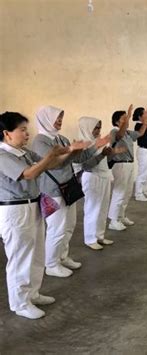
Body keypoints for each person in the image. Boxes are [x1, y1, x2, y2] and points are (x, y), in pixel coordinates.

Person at [0, 111, 79, 319]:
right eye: (22, 130)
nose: (27, 134)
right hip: (15, 210)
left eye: (26, 129)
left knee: (36, 253)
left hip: (32, 204)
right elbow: (28, 174)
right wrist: (51, 155)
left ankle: (32, 293)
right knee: (20, 257)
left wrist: (69, 152)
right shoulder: (2, 154)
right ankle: (20, 302)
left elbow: (50, 165)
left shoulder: (23, 152)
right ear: (6, 134)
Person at [32, 106, 101, 278]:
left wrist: (90, 148)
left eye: (61, 117)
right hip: (53, 190)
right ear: (46, 119)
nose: (59, 121)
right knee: (57, 228)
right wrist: (72, 150)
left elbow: (78, 159)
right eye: (57, 118)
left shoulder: (61, 138)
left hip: (68, 187)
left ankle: (62, 256)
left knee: (69, 225)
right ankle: (51, 264)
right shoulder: (40, 141)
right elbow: (54, 163)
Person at [78, 117, 123, 250]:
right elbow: (86, 165)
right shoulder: (83, 144)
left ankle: (99, 235)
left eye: (99, 127)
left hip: (104, 176)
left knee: (103, 208)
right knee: (93, 209)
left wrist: (111, 153)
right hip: (92, 177)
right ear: (87, 128)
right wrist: (103, 154)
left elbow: (105, 160)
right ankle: (90, 238)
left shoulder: (99, 141)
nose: (98, 130)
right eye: (95, 128)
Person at [107, 105, 147, 231]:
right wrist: (129, 116)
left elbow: (141, 133)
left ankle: (121, 215)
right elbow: (119, 135)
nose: (126, 120)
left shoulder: (128, 132)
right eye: (123, 118)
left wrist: (145, 121)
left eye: (127, 118)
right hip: (120, 164)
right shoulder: (115, 131)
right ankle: (113, 221)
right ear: (116, 121)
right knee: (119, 192)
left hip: (129, 163)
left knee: (127, 192)